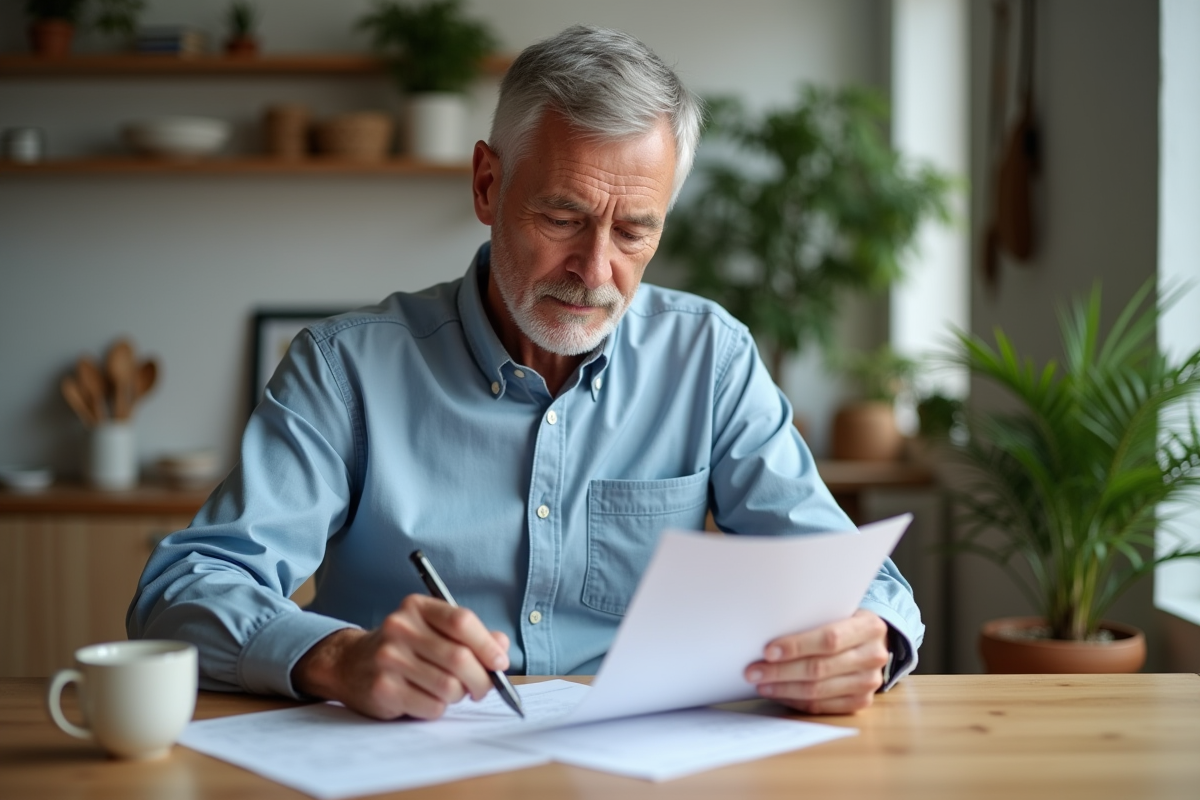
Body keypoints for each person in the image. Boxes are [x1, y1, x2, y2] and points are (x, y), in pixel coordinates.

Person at [128, 24, 923, 721]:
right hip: (400, 759)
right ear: (486, 185)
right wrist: (335, 658)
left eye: (635, 231)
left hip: (639, 765)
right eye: (562, 217)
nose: (595, 269)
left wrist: (868, 640)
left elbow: (849, 572)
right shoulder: (345, 370)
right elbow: (182, 589)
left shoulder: (709, 359)